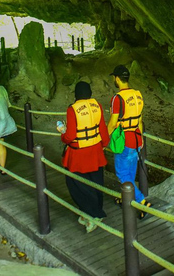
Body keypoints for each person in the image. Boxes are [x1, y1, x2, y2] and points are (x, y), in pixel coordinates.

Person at [58, 81, 110, 233]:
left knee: (76, 183)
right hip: (95, 151)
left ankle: (92, 214)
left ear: (76, 94)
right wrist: (104, 143)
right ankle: (96, 210)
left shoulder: (72, 109)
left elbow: (71, 135)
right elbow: (102, 129)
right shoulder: (97, 106)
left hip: (78, 154)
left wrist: (62, 133)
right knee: (96, 181)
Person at [107, 65, 151, 218]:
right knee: (130, 173)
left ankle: (141, 202)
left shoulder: (117, 98)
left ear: (117, 79)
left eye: (114, 77)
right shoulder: (137, 95)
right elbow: (140, 119)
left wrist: (104, 139)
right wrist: (141, 139)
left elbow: (113, 123)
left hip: (124, 140)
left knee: (122, 174)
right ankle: (124, 197)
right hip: (137, 139)